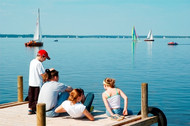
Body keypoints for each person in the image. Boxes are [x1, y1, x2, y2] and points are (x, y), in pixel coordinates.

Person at [28, 49, 50, 115]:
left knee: (31, 97)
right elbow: (43, 74)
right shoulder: (39, 63)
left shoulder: (32, 61)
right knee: (37, 97)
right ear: (42, 56)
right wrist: (48, 72)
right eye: (45, 58)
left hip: (31, 82)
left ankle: (30, 110)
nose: (45, 60)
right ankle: (36, 110)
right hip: (37, 83)